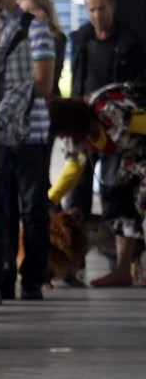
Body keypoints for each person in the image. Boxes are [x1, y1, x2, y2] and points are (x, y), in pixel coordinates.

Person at [0, 0, 54, 301]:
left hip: (29, 132)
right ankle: (4, 276)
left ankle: (33, 278)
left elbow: (43, 84)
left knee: (33, 208)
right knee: (0, 208)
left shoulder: (34, 27)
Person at [49, 83, 146, 287]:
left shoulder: (107, 108)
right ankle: (122, 270)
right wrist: (51, 197)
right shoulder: (75, 136)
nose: (61, 138)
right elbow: (74, 168)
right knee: (121, 203)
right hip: (132, 158)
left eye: (61, 133)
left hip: (141, 149)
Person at [65, 0, 144, 221]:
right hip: (84, 119)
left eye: (102, 8)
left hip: (115, 125)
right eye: (92, 9)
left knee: (113, 185)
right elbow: (77, 78)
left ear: (112, 8)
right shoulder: (81, 39)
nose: (97, 14)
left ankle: (114, 245)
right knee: (78, 183)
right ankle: (75, 245)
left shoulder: (129, 42)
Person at [18, 0, 66, 95]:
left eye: (30, 10)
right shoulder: (17, 37)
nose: (24, 16)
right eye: (22, 11)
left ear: (44, 12)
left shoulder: (55, 39)